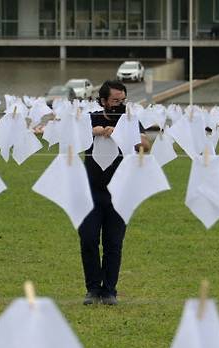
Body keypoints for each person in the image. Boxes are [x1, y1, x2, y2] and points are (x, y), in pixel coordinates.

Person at [80, 80, 150, 306]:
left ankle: (109, 290)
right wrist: (97, 131)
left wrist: (124, 135)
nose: (119, 104)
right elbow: (72, 132)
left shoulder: (129, 121)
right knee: (89, 239)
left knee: (113, 243)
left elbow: (145, 144)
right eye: (115, 101)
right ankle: (92, 289)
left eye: (122, 100)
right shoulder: (91, 117)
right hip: (90, 192)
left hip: (120, 192)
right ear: (103, 101)